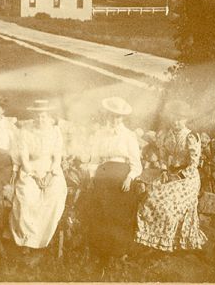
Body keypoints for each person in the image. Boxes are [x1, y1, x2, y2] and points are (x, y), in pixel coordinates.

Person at [135, 99, 207, 252]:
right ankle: (151, 240)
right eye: (174, 118)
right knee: (151, 197)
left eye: (180, 118)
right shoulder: (165, 135)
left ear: (186, 119)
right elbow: (162, 156)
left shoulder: (191, 137)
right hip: (169, 173)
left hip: (187, 178)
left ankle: (171, 241)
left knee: (170, 205)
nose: (176, 122)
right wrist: (165, 170)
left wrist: (180, 175)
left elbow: (194, 163)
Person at [80, 96, 143, 257]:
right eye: (111, 115)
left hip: (121, 175)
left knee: (118, 213)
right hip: (102, 174)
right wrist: (93, 176)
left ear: (122, 118)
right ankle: (100, 249)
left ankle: (118, 250)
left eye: (117, 116)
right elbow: (95, 160)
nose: (114, 119)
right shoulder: (101, 134)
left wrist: (129, 178)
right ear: (107, 116)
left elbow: (136, 163)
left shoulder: (129, 136)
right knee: (100, 210)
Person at [9, 99, 67, 250]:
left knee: (53, 196)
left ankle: (43, 239)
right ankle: (27, 239)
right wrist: (33, 175)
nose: (40, 119)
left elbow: (57, 156)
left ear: (48, 117)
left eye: (43, 116)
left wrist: (50, 174)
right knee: (26, 198)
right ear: (33, 116)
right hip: (31, 170)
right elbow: (23, 156)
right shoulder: (25, 132)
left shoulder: (55, 132)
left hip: (50, 169)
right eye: (37, 116)